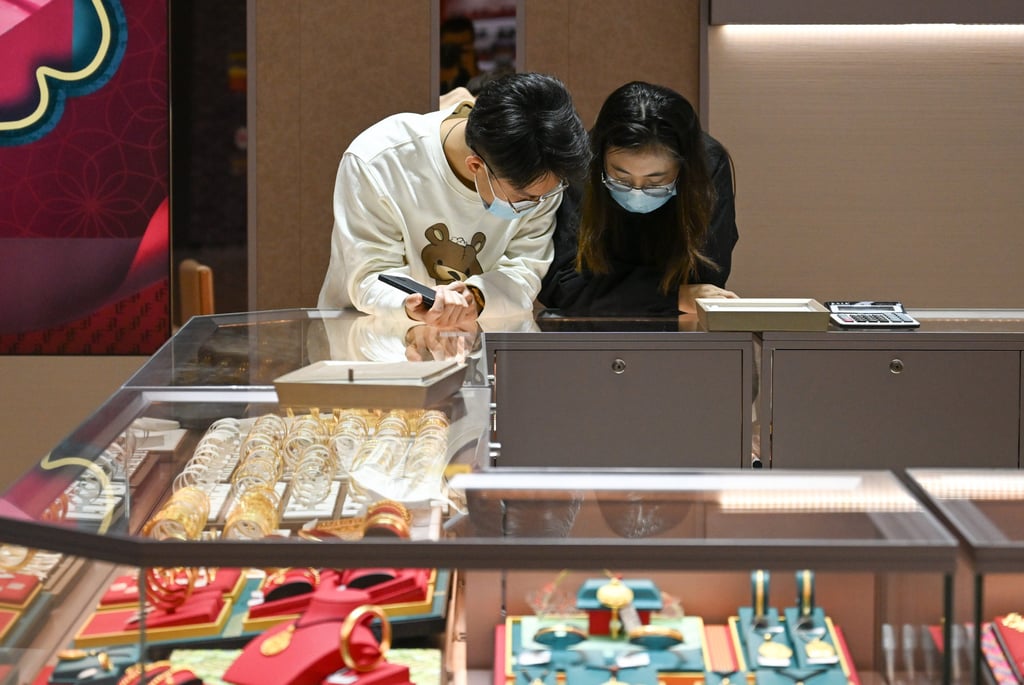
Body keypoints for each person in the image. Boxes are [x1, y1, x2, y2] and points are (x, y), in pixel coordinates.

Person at [317, 72, 590, 326]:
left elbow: (525, 268)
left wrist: (476, 297)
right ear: (475, 167)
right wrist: (415, 304)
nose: (536, 204)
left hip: (472, 342)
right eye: (524, 198)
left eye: (545, 195)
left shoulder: (542, 177)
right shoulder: (379, 160)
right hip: (373, 342)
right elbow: (369, 274)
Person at [538, 81, 739, 316]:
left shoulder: (708, 166)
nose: (637, 191)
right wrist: (674, 296)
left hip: (678, 329)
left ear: (685, 170)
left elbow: (707, 278)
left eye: (655, 182)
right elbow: (561, 283)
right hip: (588, 326)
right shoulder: (581, 165)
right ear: (600, 159)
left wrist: (618, 291)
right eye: (621, 178)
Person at [439, 15, 479, 94]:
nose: (455, 53)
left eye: (461, 48)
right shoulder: (427, 76)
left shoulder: (485, 80)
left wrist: (473, 74)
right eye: (450, 47)